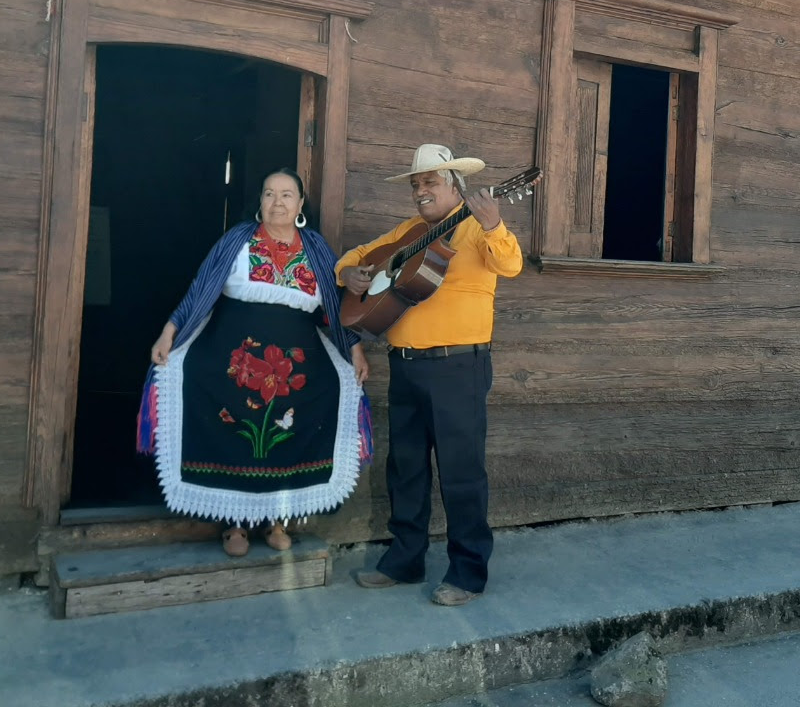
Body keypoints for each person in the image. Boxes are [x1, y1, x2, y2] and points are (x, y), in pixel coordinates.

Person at [136, 168, 371, 557]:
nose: (277, 202)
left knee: (285, 433)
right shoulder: (237, 240)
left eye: (286, 195)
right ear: (259, 202)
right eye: (268, 194)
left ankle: (276, 520)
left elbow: (332, 309)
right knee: (235, 431)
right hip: (235, 360)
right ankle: (234, 524)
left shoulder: (315, 248)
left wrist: (354, 349)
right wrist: (169, 331)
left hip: (294, 366)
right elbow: (201, 290)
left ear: (299, 205)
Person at [336, 144, 523, 606]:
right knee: (406, 469)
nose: (421, 190)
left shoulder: (477, 228)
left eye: (431, 182)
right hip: (406, 366)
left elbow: (511, 264)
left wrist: (495, 224)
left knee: (461, 472)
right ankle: (404, 561)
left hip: (459, 365)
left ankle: (467, 572)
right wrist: (350, 275)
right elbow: (357, 255)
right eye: (416, 184)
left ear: (455, 187)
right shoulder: (408, 231)